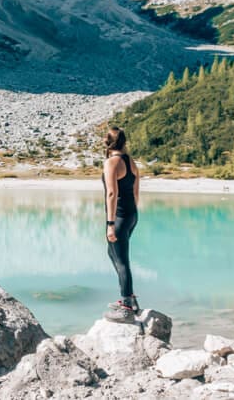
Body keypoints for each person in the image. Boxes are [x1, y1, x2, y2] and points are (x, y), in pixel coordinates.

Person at [101, 126, 141, 323]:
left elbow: (111, 194)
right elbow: (135, 192)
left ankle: (126, 306)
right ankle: (130, 297)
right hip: (132, 215)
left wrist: (110, 223)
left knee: (121, 260)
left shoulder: (112, 163)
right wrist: (132, 214)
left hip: (119, 217)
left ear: (107, 142)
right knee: (114, 254)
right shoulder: (130, 161)